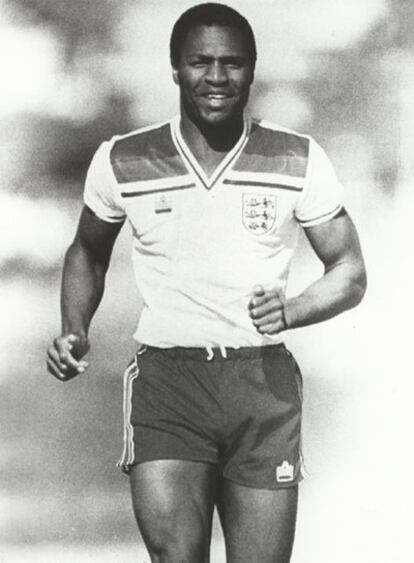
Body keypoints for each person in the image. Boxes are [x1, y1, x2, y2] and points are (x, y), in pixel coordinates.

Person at [46, 3, 367, 562]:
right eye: (200, 62)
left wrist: (294, 309)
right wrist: (75, 329)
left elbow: (350, 271)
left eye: (232, 63)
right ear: (175, 67)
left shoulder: (298, 159)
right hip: (169, 381)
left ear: (252, 69)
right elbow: (87, 252)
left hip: (261, 383)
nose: (217, 77)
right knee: (176, 555)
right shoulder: (124, 159)